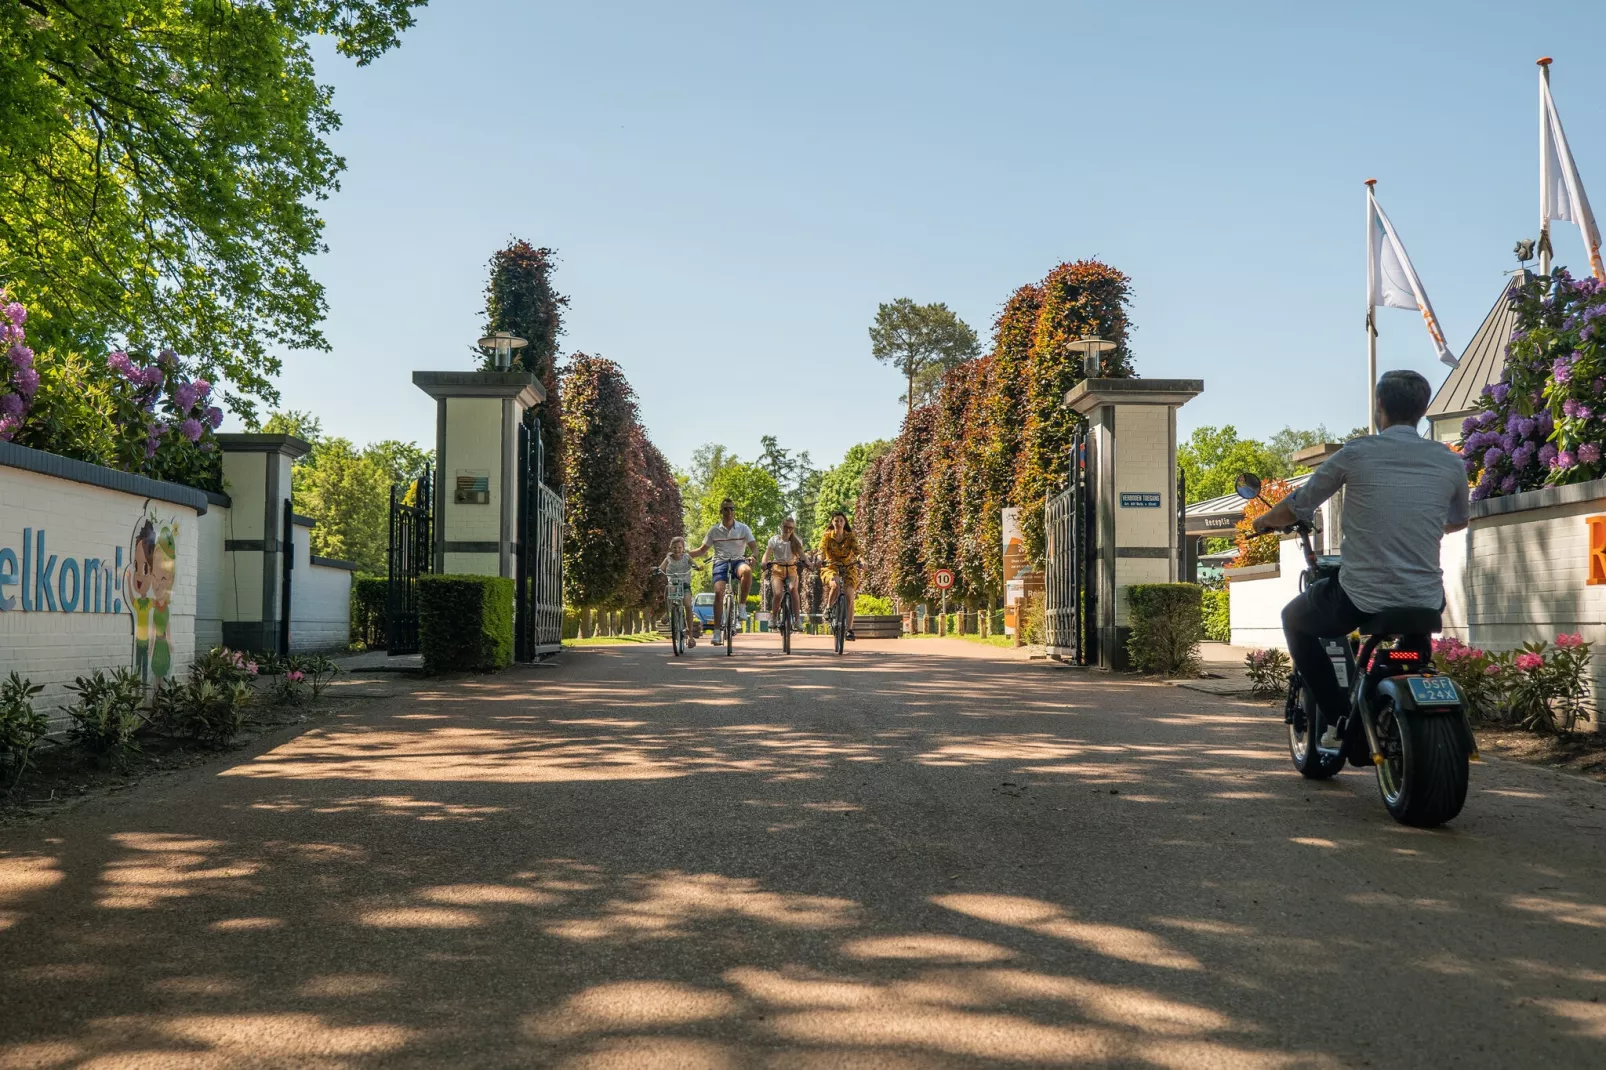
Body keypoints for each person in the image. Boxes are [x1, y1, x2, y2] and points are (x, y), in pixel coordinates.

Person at [1253, 369, 1469, 743]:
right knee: (1414, 649)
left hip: (1361, 597)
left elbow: (1299, 504)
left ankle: (1339, 720)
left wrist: (1262, 522)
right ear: (1422, 410)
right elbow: (1458, 519)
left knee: (1295, 619)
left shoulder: (1356, 453)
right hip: (1425, 599)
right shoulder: (1449, 461)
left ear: (1379, 406)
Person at [689, 498, 755, 645]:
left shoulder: (744, 529)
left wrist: (753, 556)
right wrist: (684, 554)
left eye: (732, 509)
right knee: (719, 592)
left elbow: (754, 547)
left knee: (747, 571)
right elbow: (702, 550)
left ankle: (742, 607)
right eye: (726, 509)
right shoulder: (714, 530)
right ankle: (717, 632)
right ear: (721, 512)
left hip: (738, 561)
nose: (729, 511)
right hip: (720, 562)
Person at [819, 510, 861, 640]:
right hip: (831, 566)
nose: (838, 523)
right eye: (836, 520)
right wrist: (820, 559)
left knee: (849, 596)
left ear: (845, 522)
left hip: (848, 567)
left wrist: (862, 561)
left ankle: (849, 629)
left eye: (841, 520)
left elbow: (858, 552)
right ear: (832, 522)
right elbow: (821, 550)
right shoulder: (827, 536)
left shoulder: (850, 536)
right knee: (835, 584)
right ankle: (828, 608)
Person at [761, 516, 806, 630]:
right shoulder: (774, 540)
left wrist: (808, 563)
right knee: (778, 593)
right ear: (781, 526)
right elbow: (767, 553)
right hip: (777, 570)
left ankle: (797, 620)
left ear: (793, 529)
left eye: (790, 528)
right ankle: (774, 617)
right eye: (785, 527)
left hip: (791, 570)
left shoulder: (797, 541)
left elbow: (802, 555)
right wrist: (764, 562)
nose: (787, 530)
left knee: (793, 589)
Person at [658, 536, 697, 649]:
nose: (677, 550)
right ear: (671, 548)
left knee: (688, 605)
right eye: (674, 547)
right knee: (667, 589)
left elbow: (694, 564)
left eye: (679, 547)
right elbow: (662, 567)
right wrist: (657, 569)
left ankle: (690, 636)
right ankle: (667, 612)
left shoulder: (686, 557)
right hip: (673, 584)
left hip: (684, 584)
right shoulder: (668, 558)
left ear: (683, 548)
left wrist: (697, 567)